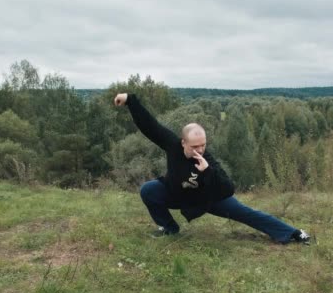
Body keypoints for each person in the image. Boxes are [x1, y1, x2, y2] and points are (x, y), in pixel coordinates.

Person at [113, 93, 311, 244]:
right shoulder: (172, 145)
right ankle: (169, 228)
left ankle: (292, 233)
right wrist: (130, 99)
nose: (200, 149)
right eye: (194, 146)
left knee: (245, 212)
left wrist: (207, 171)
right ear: (183, 143)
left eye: (203, 145)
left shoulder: (208, 160)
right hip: (176, 194)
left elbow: (228, 189)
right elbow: (151, 126)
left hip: (206, 200)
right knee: (149, 190)